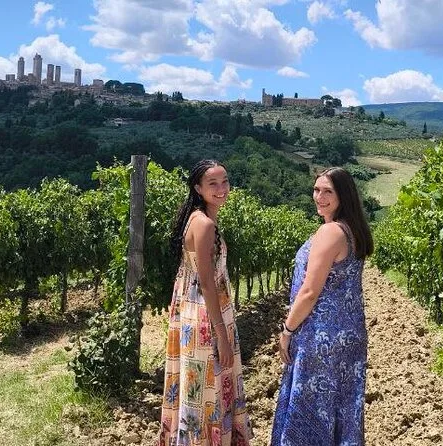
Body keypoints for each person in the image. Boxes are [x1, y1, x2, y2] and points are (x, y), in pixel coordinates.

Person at [271, 167, 374, 445]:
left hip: (321, 337)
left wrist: (287, 330)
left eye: (328, 191)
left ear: (343, 195)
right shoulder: (352, 231)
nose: (319, 197)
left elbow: (309, 292)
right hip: (348, 335)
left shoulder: (330, 231)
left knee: (311, 410)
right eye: (316, 189)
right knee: (340, 407)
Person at [158, 160, 252, 446]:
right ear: (198, 188)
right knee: (208, 388)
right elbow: (208, 283)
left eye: (225, 181)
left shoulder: (195, 219)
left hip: (192, 311)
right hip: (206, 318)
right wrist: (221, 335)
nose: (222, 188)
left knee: (196, 388)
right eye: (213, 183)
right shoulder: (205, 224)